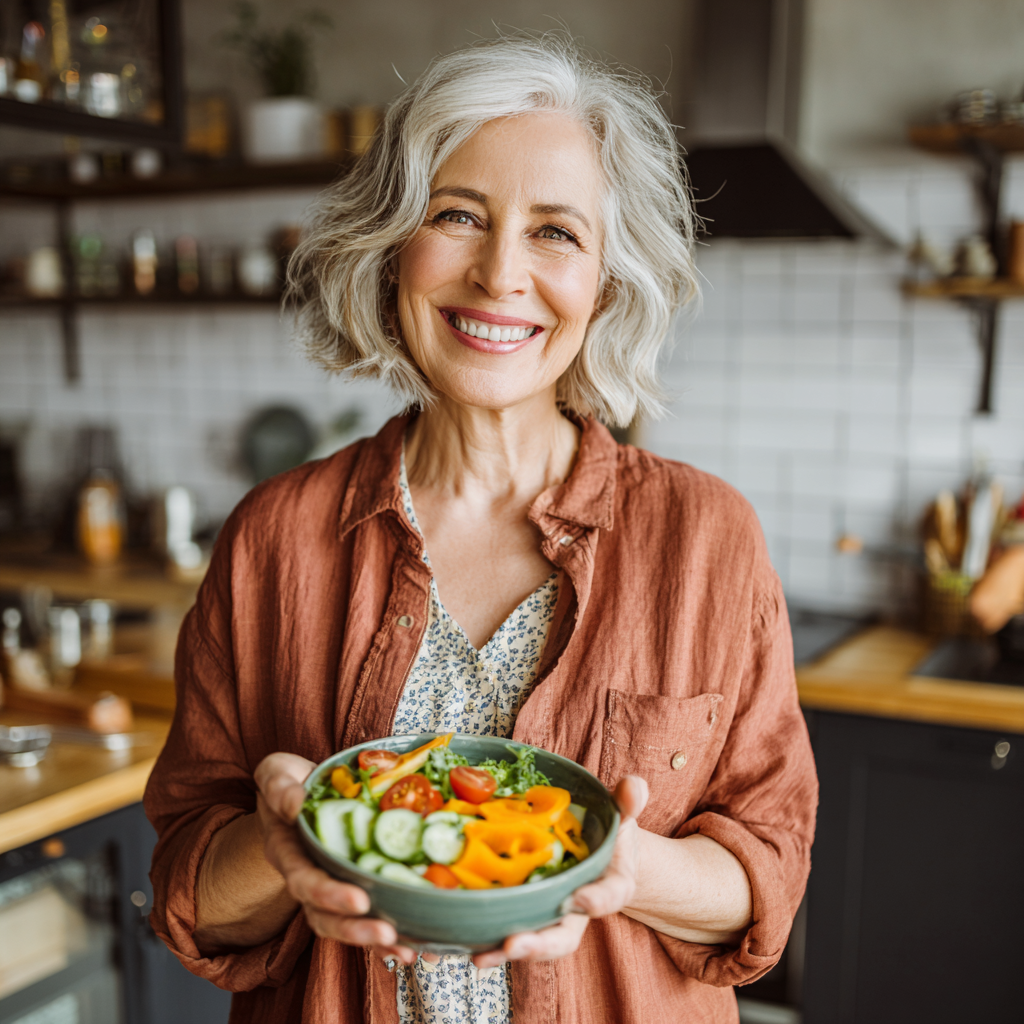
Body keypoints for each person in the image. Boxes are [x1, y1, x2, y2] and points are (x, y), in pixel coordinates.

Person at [145, 34, 817, 1024]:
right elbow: (191, 896)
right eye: (457, 215)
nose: (501, 273)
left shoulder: (704, 537)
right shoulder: (273, 540)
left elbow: (764, 878)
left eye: (556, 231)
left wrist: (621, 867)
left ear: (606, 280)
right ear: (392, 246)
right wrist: (283, 854)